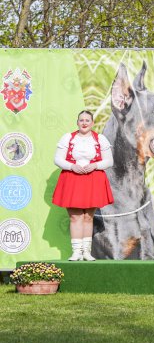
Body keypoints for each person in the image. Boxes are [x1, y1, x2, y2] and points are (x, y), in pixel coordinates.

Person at [52, 110, 114, 261]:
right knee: (75, 217)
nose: (84, 123)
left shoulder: (100, 139)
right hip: (72, 179)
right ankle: (76, 252)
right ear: (77, 122)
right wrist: (71, 166)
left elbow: (109, 161)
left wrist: (95, 165)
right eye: (81, 120)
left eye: (87, 120)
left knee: (88, 217)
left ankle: (86, 252)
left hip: (93, 179)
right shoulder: (68, 138)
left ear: (92, 123)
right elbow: (57, 159)